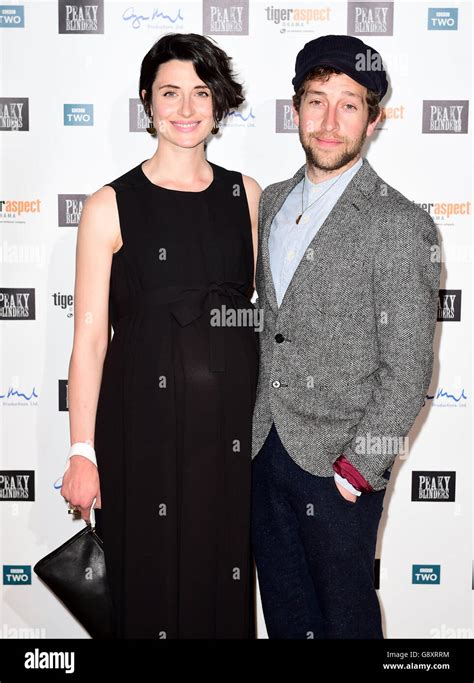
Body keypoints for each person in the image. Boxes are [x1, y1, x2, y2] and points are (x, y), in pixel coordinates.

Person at [60, 32, 261, 639]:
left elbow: (263, 323)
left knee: (221, 590)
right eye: (170, 93)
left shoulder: (246, 196)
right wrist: (81, 451)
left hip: (230, 440)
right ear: (147, 100)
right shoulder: (108, 206)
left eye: (201, 93)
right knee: (148, 588)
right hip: (140, 437)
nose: (186, 109)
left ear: (219, 103)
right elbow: (91, 340)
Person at [251, 34, 441, 639]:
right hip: (263, 450)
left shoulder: (401, 223)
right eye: (316, 101)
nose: (329, 121)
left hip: (339, 469)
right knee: (286, 619)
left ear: (374, 118)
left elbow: (410, 367)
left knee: (346, 624)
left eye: (349, 104)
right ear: (296, 110)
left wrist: (358, 469)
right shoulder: (270, 204)